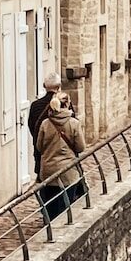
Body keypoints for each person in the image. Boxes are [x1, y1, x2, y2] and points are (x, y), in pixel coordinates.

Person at [34, 92, 87, 224]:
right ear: (67, 104)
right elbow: (80, 147)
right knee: (65, 206)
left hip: (48, 171)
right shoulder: (74, 124)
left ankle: (49, 228)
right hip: (67, 171)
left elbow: (39, 147)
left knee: (49, 207)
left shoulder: (45, 123)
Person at [26, 78, 63, 147]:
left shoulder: (35, 105)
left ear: (44, 86)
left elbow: (31, 126)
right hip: (62, 148)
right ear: (58, 87)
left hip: (42, 147)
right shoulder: (65, 104)